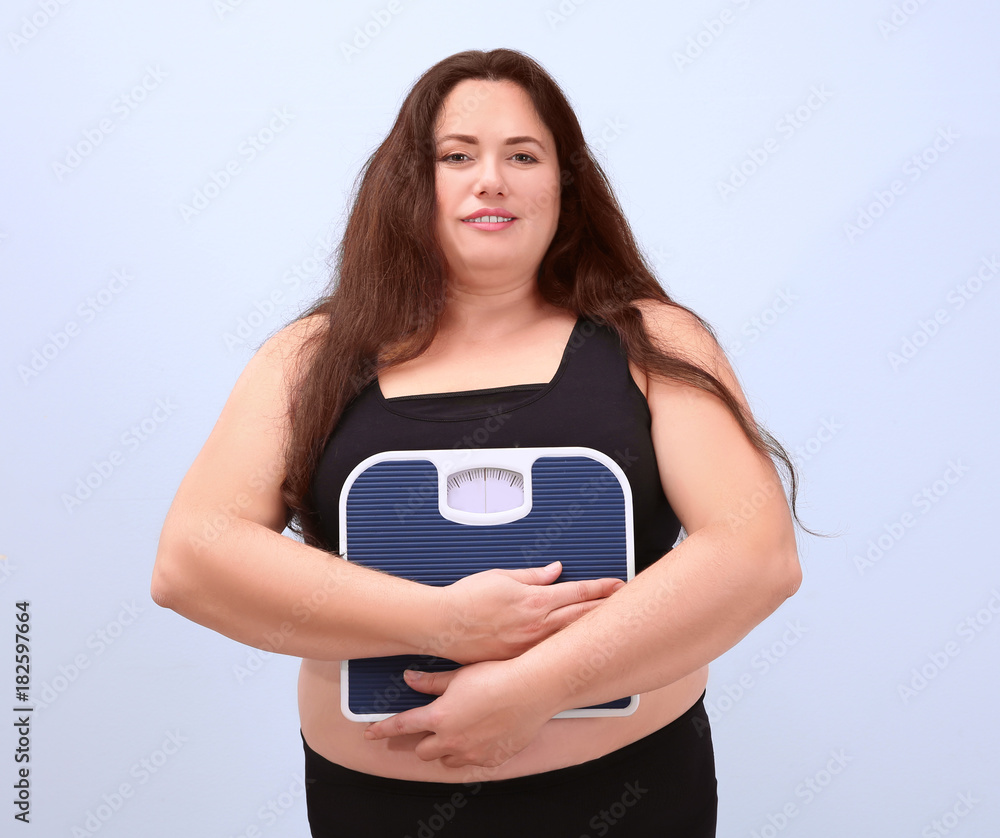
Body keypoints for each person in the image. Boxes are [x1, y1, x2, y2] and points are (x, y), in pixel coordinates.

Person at [151, 48, 803, 837]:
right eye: (457, 156)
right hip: (375, 811)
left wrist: (539, 686)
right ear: (410, 181)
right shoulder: (308, 357)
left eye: (523, 156)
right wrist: (441, 622)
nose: (490, 180)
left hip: (629, 798)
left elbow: (755, 554)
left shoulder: (656, 341)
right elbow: (191, 560)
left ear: (565, 184)